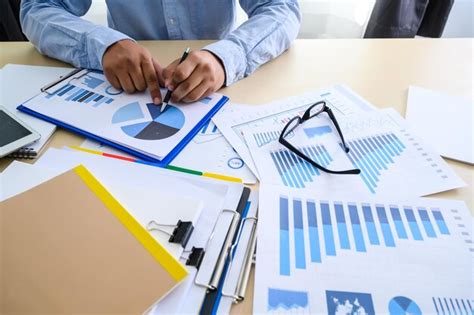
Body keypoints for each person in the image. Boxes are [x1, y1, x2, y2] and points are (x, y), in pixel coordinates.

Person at [20, 1, 301, 104]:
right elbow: (37, 8)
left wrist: (226, 57)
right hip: (127, 87)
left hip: (222, 87)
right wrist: (103, 45)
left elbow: (282, 8)